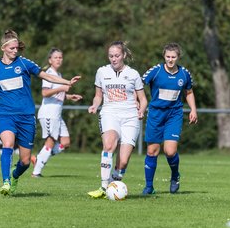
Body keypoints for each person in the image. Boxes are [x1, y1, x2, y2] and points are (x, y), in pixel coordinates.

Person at [0, 30, 80, 196]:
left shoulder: (24, 63)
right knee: (8, 144)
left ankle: (14, 176)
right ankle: (6, 182)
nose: (15, 50)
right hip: (6, 115)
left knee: (25, 162)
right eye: (11, 48)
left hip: (26, 117)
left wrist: (67, 81)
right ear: (3, 48)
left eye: (16, 48)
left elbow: (45, 75)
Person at [87, 41, 148, 198]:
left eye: (117, 56)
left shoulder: (133, 74)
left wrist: (141, 110)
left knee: (123, 162)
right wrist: (94, 105)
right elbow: (98, 95)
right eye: (110, 56)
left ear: (124, 55)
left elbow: (143, 99)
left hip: (130, 117)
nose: (113, 59)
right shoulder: (102, 72)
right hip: (109, 112)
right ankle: (103, 186)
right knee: (109, 144)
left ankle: (112, 188)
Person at [141, 42, 198, 195]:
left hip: (174, 114)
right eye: (168, 57)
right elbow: (138, 85)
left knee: (170, 151)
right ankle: (149, 187)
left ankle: (175, 176)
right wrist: (138, 102)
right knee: (152, 151)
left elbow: (189, 92)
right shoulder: (156, 71)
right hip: (155, 114)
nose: (170, 60)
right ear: (164, 56)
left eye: (173, 57)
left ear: (178, 57)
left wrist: (193, 109)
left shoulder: (184, 74)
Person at [31, 48, 82, 177]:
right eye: (56, 57)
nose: (59, 59)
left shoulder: (58, 75)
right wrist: (62, 88)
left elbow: (57, 95)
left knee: (65, 142)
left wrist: (69, 96)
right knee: (51, 141)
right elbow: (45, 93)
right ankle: (36, 172)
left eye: (60, 57)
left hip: (57, 115)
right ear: (50, 60)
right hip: (49, 114)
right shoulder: (49, 73)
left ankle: (39, 158)